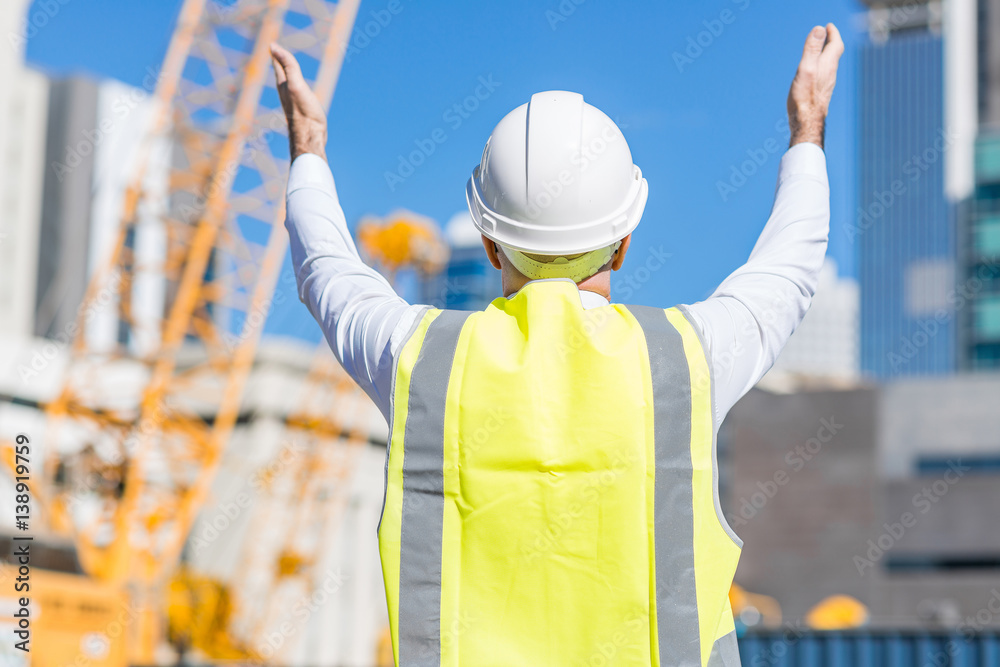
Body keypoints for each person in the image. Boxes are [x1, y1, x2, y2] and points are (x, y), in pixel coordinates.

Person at [271, 22, 843, 667]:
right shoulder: (686, 360)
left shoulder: (423, 359)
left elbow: (328, 275)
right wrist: (807, 130)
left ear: (488, 245)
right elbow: (790, 270)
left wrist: (308, 150)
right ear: (626, 241)